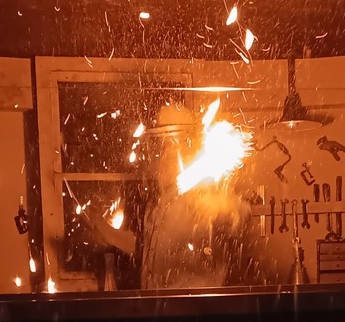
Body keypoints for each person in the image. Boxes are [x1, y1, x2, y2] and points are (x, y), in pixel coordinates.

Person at [80, 101, 251, 291]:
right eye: (159, 146)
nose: (160, 154)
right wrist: (103, 228)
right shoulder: (162, 199)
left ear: (183, 146)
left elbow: (233, 216)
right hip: (160, 307)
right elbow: (145, 249)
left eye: (165, 146)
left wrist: (227, 208)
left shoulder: (204, 193)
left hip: (191, 309)